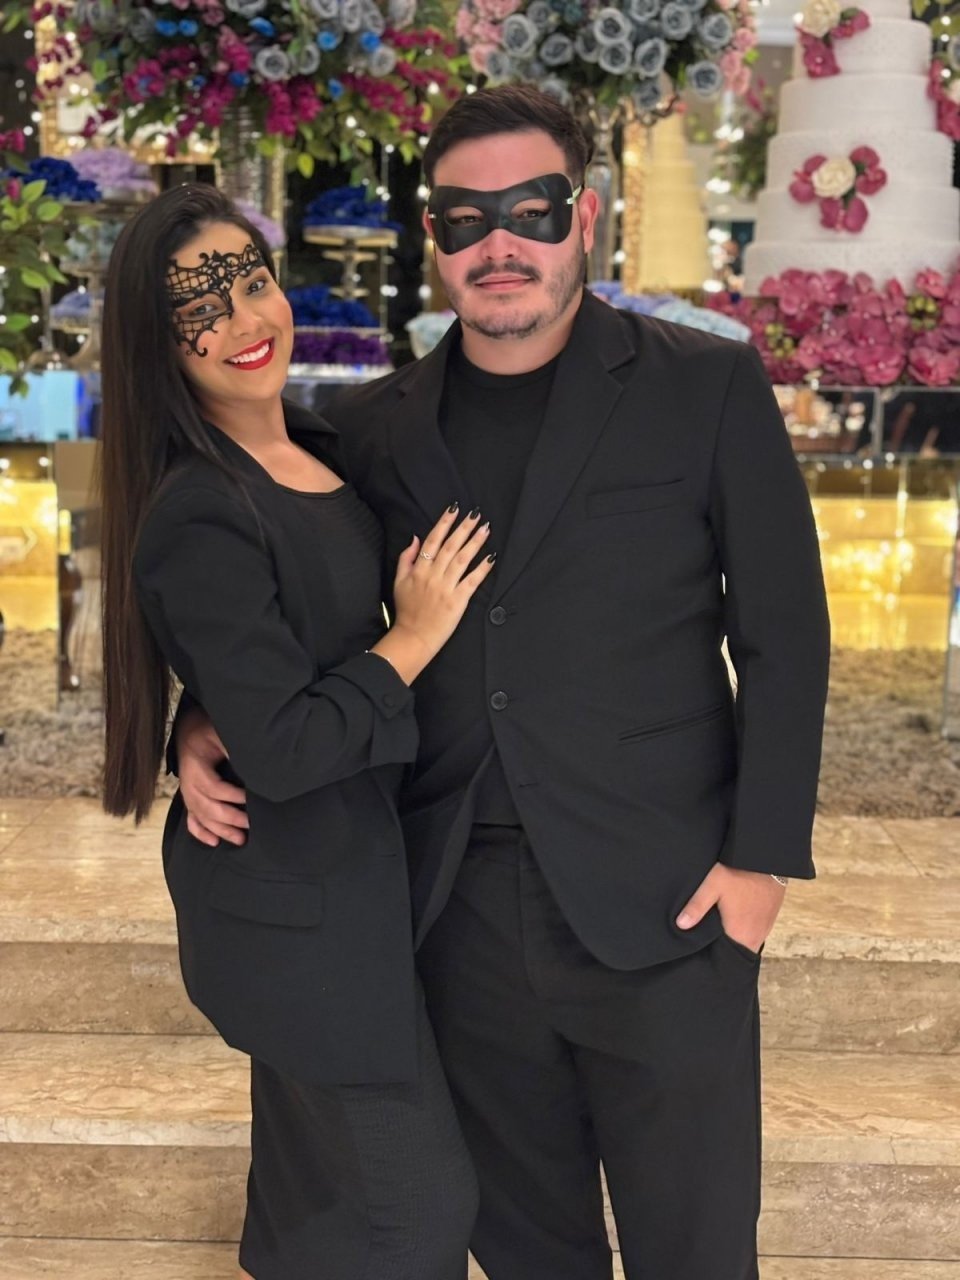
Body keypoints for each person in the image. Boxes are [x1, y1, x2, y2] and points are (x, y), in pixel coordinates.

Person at [177, 87, 831, 1280]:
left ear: (586, 215)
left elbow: (786, 632)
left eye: (533, 209)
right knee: (531, 1252)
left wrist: (759, 865)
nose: (502, 242)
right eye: (468, 217)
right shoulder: (366, 426)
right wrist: (204, 715)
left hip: (669, 902)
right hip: (455, 915)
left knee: (698, 1252)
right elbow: (292, 598)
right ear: (434, 235)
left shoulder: (707, 385)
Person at [98, 183, 495, 1280]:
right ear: (159, 347)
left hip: (359, 877)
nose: (243, 320)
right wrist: (412, 639)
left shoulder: (324, 442)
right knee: (420, 1209)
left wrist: (204, 713)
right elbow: (284, 747)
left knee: (314, 1204)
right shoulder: (198, 508)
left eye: (251, 282)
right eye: (199, 311)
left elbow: (267, 667)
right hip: (296, 907)